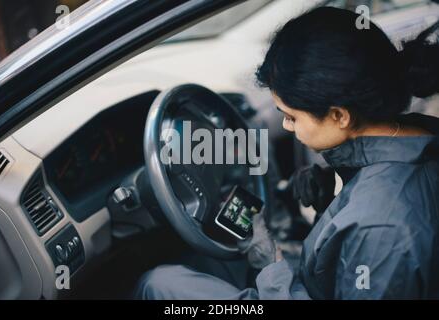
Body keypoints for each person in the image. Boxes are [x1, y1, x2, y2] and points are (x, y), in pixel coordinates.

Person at [136, 7, 439, 299]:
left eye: (291, 116)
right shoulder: (420, 137)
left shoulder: (380, 228)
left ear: (339, 116)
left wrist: (271, 264)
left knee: (159, 284)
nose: (285, 125)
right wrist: (332, 203)